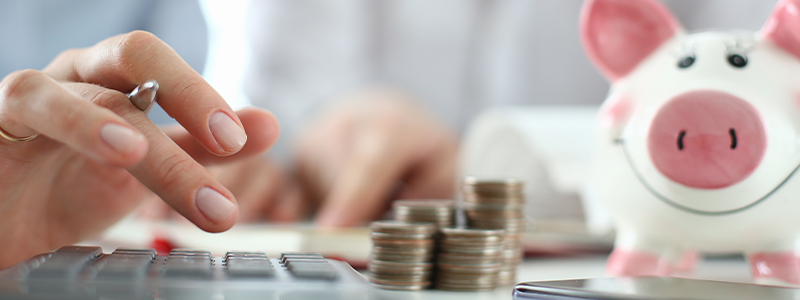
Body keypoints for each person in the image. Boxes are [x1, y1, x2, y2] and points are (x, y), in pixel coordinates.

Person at [0, 0, 778, 269]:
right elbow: (281, 108)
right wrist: (296, 155)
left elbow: (766, 120)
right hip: (311, 229)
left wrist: (485, 163)